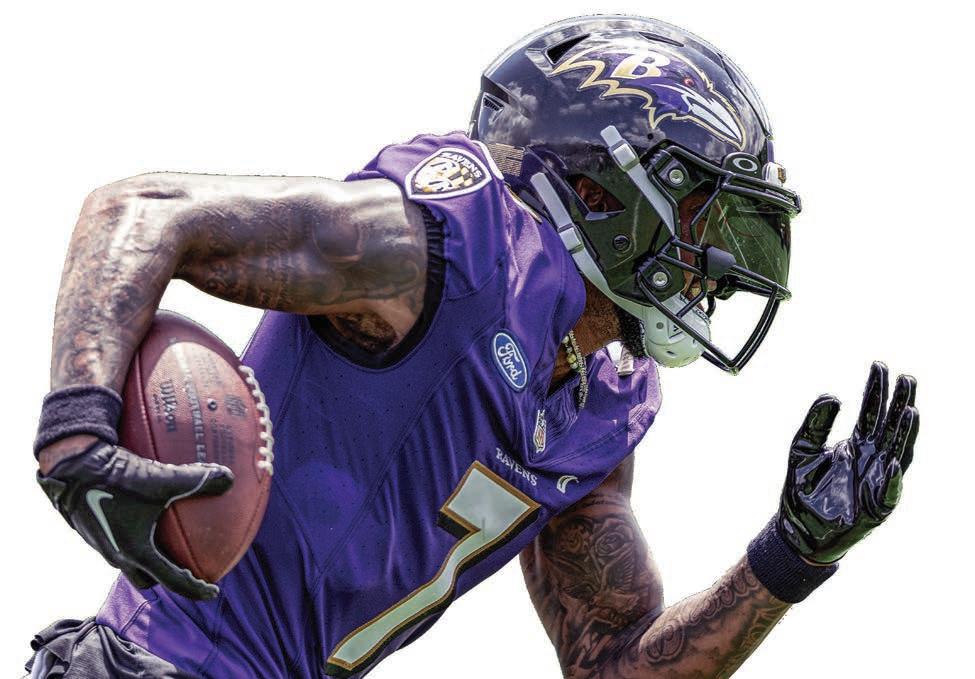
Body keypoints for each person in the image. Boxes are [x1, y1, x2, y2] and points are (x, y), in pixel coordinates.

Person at [26, 15, 919, 679]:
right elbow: (142, 211)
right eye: (701, 213)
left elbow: (610, 662)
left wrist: (791, 553)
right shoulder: (454, 247)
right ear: (606, 189)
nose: (717, 268)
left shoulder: (605, 404)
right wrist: (75, 432)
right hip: (157, 661)